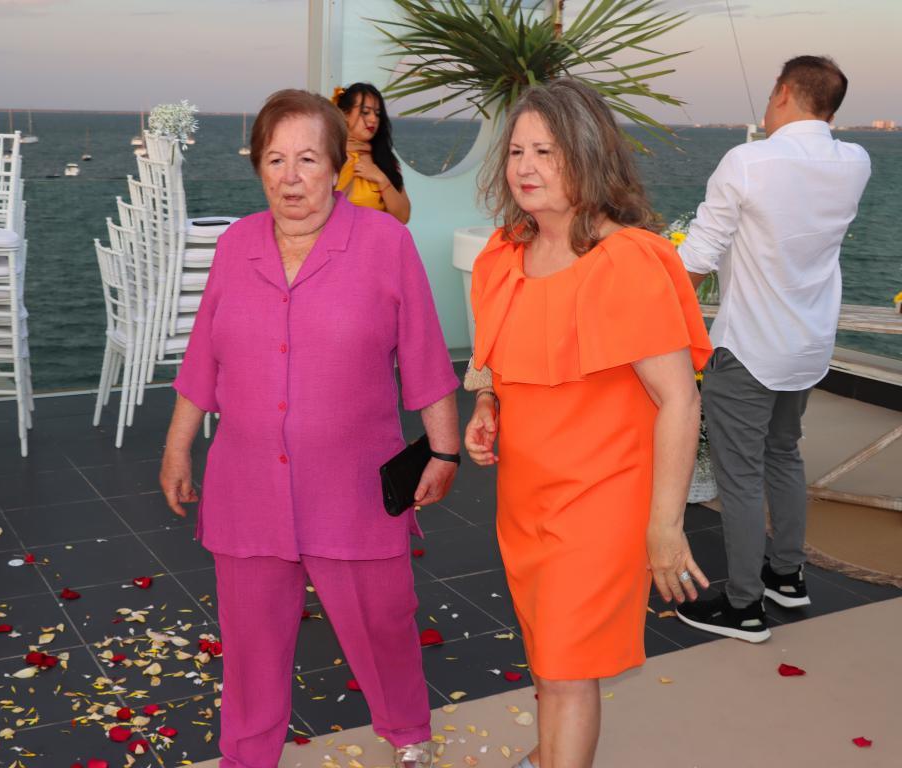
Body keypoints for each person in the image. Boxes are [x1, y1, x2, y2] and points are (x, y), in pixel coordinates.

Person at [160, 88, 460, 768]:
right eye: (275, 159)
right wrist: (178, 447)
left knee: (383, 623)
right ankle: (247, 755)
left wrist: (444, 450)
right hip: (247, 486)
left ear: (336, 166)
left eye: (307, 159)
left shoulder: (384, 243)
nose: (290, 178)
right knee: (250, 642)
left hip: (353, 488)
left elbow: (424, 355)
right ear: (258, 167)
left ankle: (408, 733)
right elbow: (204, 355)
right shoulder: (236, 244)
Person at [463, 79, 712, 768]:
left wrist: (665, 526)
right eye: (518, 151)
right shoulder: (503, 255)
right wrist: (486, 406)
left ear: (588, 155)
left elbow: (679, 401)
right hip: (526, 497)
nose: (526, 167)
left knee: (569, 670)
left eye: (546, 151)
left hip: (601, 500)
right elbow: (497, 359)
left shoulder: (626, 261)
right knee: (549, 658)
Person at [675, 56, 871, 641]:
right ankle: (786, 575)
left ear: (784, 92)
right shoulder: (856, 162)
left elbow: (696, 259)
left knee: (738, 477)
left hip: (748, 347)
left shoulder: (747, 162)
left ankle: (743, 606)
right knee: (783, 454)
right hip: (807, 347)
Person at [332, 83, 412, 223]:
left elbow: (403, 217)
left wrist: (381, 178)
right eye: (365, 112)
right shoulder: (331, 154)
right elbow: (325, 210)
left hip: (380, 235)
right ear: (344, 114)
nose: (373, 119)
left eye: (377, 113)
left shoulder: (384, 159)